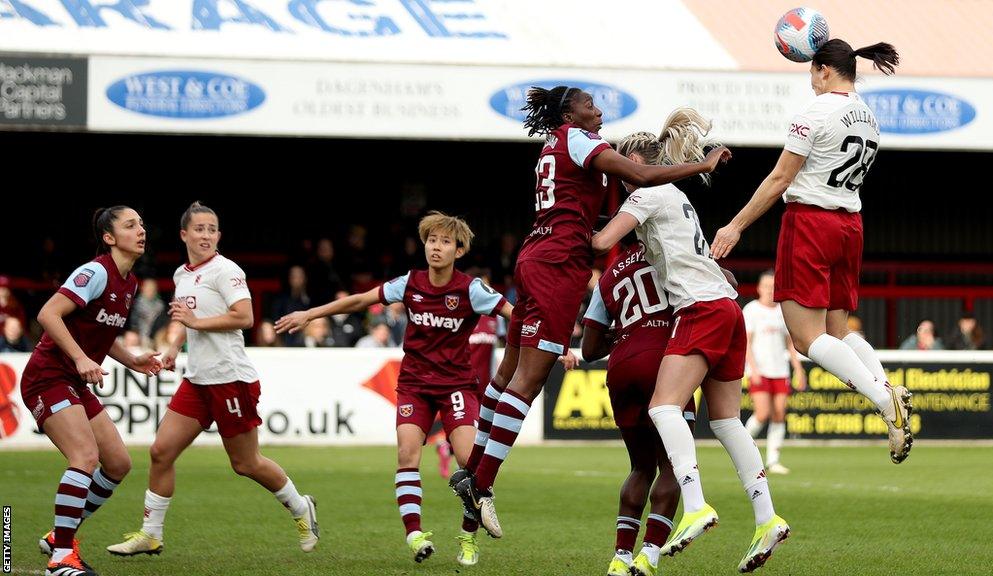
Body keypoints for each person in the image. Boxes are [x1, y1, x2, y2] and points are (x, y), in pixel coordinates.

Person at [452, 85, 730, 539]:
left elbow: (590, 212)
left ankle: (473, 480)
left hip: (536, 256)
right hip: (557, 266)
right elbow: (638, 179)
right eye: (590, 105)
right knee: (529, 381)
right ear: (570, 113)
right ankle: (480, 483)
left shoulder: (559, 149)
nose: (599, 111)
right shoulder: (576, 140)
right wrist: (701, 164)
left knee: (504, 377)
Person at [591, 110, 788, 573]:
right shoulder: (676, 195)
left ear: (637, 162)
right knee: (726, 422)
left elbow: (602, 244)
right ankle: (766, 517)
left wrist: (567, 231)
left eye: (622, 167)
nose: (620, 178)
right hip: (728, 307)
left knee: (663, 408)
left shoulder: (647, 194)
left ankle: (696, 505)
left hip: (699, 309)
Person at [709, 39, 913, 465]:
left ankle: (882, 398)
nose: (812, 82)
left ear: (823, 69)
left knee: (805, 338)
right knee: (839, 331)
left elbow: (780, 178)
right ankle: (887, 386)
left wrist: (735, 225)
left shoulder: (815, 113)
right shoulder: (869, 117)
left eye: (811, 74)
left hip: (812, 222)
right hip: (850, 225)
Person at [276, 212, 514, 567]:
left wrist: (553, 348)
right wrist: (311, 314)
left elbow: (516, 315)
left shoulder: (470, 289)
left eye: (445, 242)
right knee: (407, 456)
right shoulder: (410, 283)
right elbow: (358, 301)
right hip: (415, 386)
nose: (436, 247)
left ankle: (467, 536)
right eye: (432, 240)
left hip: (457, 387)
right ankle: (414, 535)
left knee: (470, 466)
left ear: (459, 250)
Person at [107, 202, 319, 558]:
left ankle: (301, 507)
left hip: (230, 379)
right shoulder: (181, 274)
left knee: (245, 464)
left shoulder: (227, 270)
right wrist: (175, 347)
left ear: (218, 236)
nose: (205, 235)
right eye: (199, 229)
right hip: (198, 379)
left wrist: (193, 324)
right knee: (161, 452)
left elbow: (245, 316)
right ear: (184, 234)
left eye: (211, 229)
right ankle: (151, 534)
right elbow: (185, 318)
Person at [26, 206, 163, 576]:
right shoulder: (95, 272)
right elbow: (48, 314)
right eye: (130, 225)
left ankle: (60, 536)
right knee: (85, 456)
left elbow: (103, 331)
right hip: (48, 375)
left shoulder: (129, 282)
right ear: (108, 237)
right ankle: (60, 560)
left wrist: (132, 360)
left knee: (118, 463)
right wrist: (81, 359)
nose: (141, 230)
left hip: (71, 379)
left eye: (142, 224)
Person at [581, 241, 697, 576]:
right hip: (664, 362)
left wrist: (626, 334)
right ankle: (649, 554)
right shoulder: (673, 251)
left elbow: (589, 349)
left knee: (640, 467)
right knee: (672, 466)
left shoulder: (607, 277)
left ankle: (620, 557)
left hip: (621, 367)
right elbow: (728, 283)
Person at [743, 270, 806, 475]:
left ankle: (773, 461)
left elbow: (790, 344)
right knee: (762, 414)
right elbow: (746, 344)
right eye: (767, 286)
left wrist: (798, 369)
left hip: (780, 370)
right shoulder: (751, 310)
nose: (770, 290)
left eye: (773, 287)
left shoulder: (782, 311)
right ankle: (741, 449)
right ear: (759, 288)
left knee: (779, 414)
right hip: (760, 371)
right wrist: (753, 369)